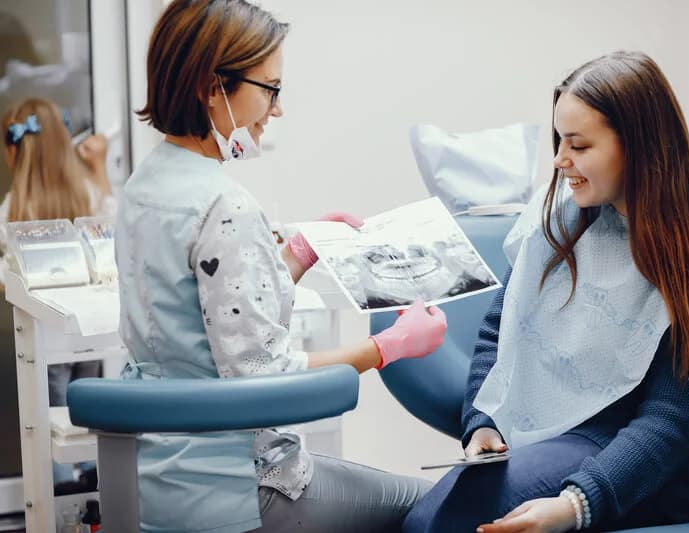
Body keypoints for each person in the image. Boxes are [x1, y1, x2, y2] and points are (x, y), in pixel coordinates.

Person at [402, 51, 689, 533]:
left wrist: (577, 504)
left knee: (444, 523)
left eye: (578, 145)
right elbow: (498, 333)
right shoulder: (555, 219)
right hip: (559, 436)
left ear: (638, 147)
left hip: (659, 463)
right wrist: (483, 421)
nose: (560, 160)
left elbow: (667, 420)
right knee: (430, 521)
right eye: (559, 140)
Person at [115, 2, 447, 533]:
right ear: (212, 86)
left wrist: (295, 255)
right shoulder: (225, 204)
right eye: (270, 90)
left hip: (159, 476)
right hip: (240, 486)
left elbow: (212, 321)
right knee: (440, 503)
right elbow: (268, 380)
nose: (277, 109)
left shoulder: (143, 186)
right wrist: (389, 347)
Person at [1, 97, 114, 406]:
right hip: (88, 332)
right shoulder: (88, 193)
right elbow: (109, 230)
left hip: (45, 336)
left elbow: (6, 274)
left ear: (14, 152)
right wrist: (99, 166)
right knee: (88, 414)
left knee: (53, 418)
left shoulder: (14, 209)